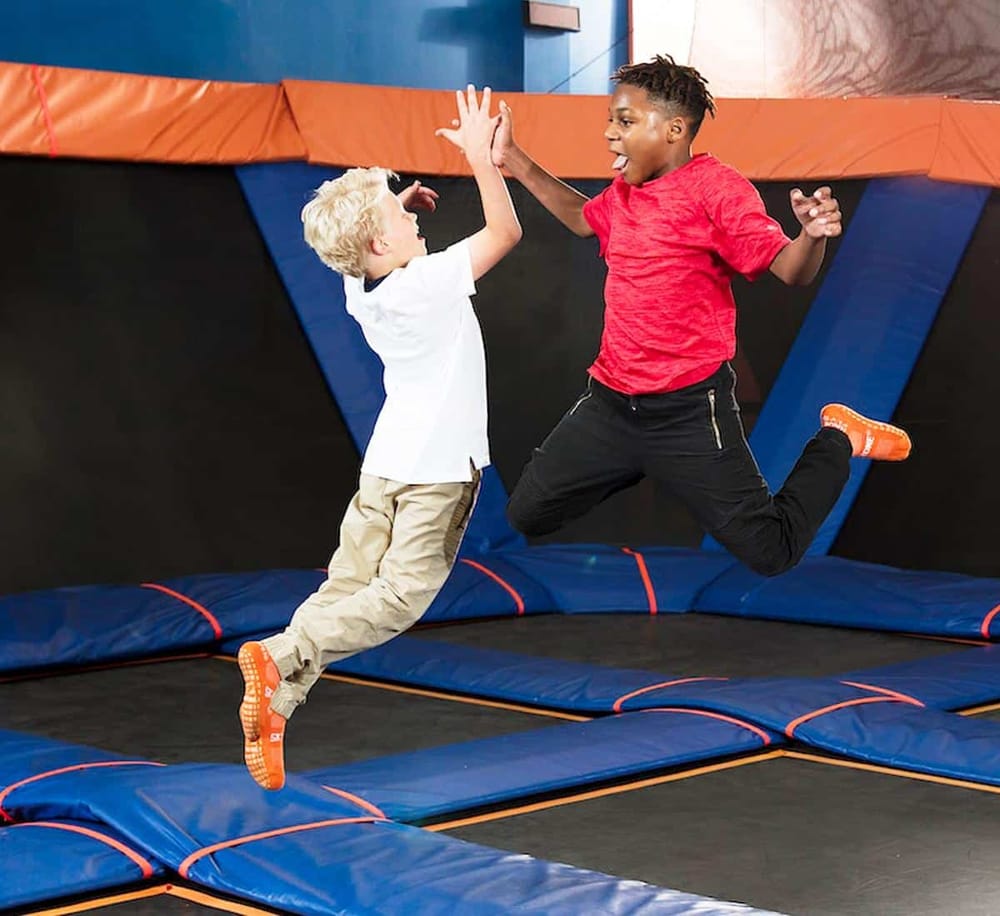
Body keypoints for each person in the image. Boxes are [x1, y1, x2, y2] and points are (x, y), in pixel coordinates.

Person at [493, 54, 910, 578]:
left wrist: (810, 236)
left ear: (673, 129)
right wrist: (511, 156)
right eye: (611, 120)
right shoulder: (625, 192)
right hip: (612, 405)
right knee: (526, 513)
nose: (609, 134)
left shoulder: (718, 190)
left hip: (690, 412)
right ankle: (635, 461)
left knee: (770, 552)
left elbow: (791, 271)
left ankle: (839, 438)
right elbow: (582, 217)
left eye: (624, 122)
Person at [237, 85, 521, 790]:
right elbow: (506, 234)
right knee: (397, 599)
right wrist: (485, 161)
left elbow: (376, 248)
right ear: (379, 243)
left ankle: (279, 699)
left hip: (386, 464)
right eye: (399, 210)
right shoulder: (423, 283)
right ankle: (284, 651)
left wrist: (400, 212)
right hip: (434, 470)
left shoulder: (357, 286)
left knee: (346, 588)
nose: (410, 209)